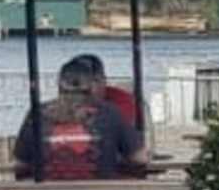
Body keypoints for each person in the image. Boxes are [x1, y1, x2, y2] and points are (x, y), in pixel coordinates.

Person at [14, 55, 143, 182]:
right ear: (91, 86)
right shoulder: (109, 112)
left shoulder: (37, 113)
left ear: (59, 84)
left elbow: (20, 164)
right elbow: (139, 158)